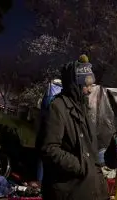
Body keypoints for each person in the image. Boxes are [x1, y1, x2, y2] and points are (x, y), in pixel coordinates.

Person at [36, 55, 109, 200]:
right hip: (70, 191)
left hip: (89, 189)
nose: (89, 90)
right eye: (86, 86)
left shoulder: (83, 108)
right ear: (75, 84)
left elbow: (89, 150)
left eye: (91, 85)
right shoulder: (57, 108)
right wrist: (82, 166)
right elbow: (49, 149)